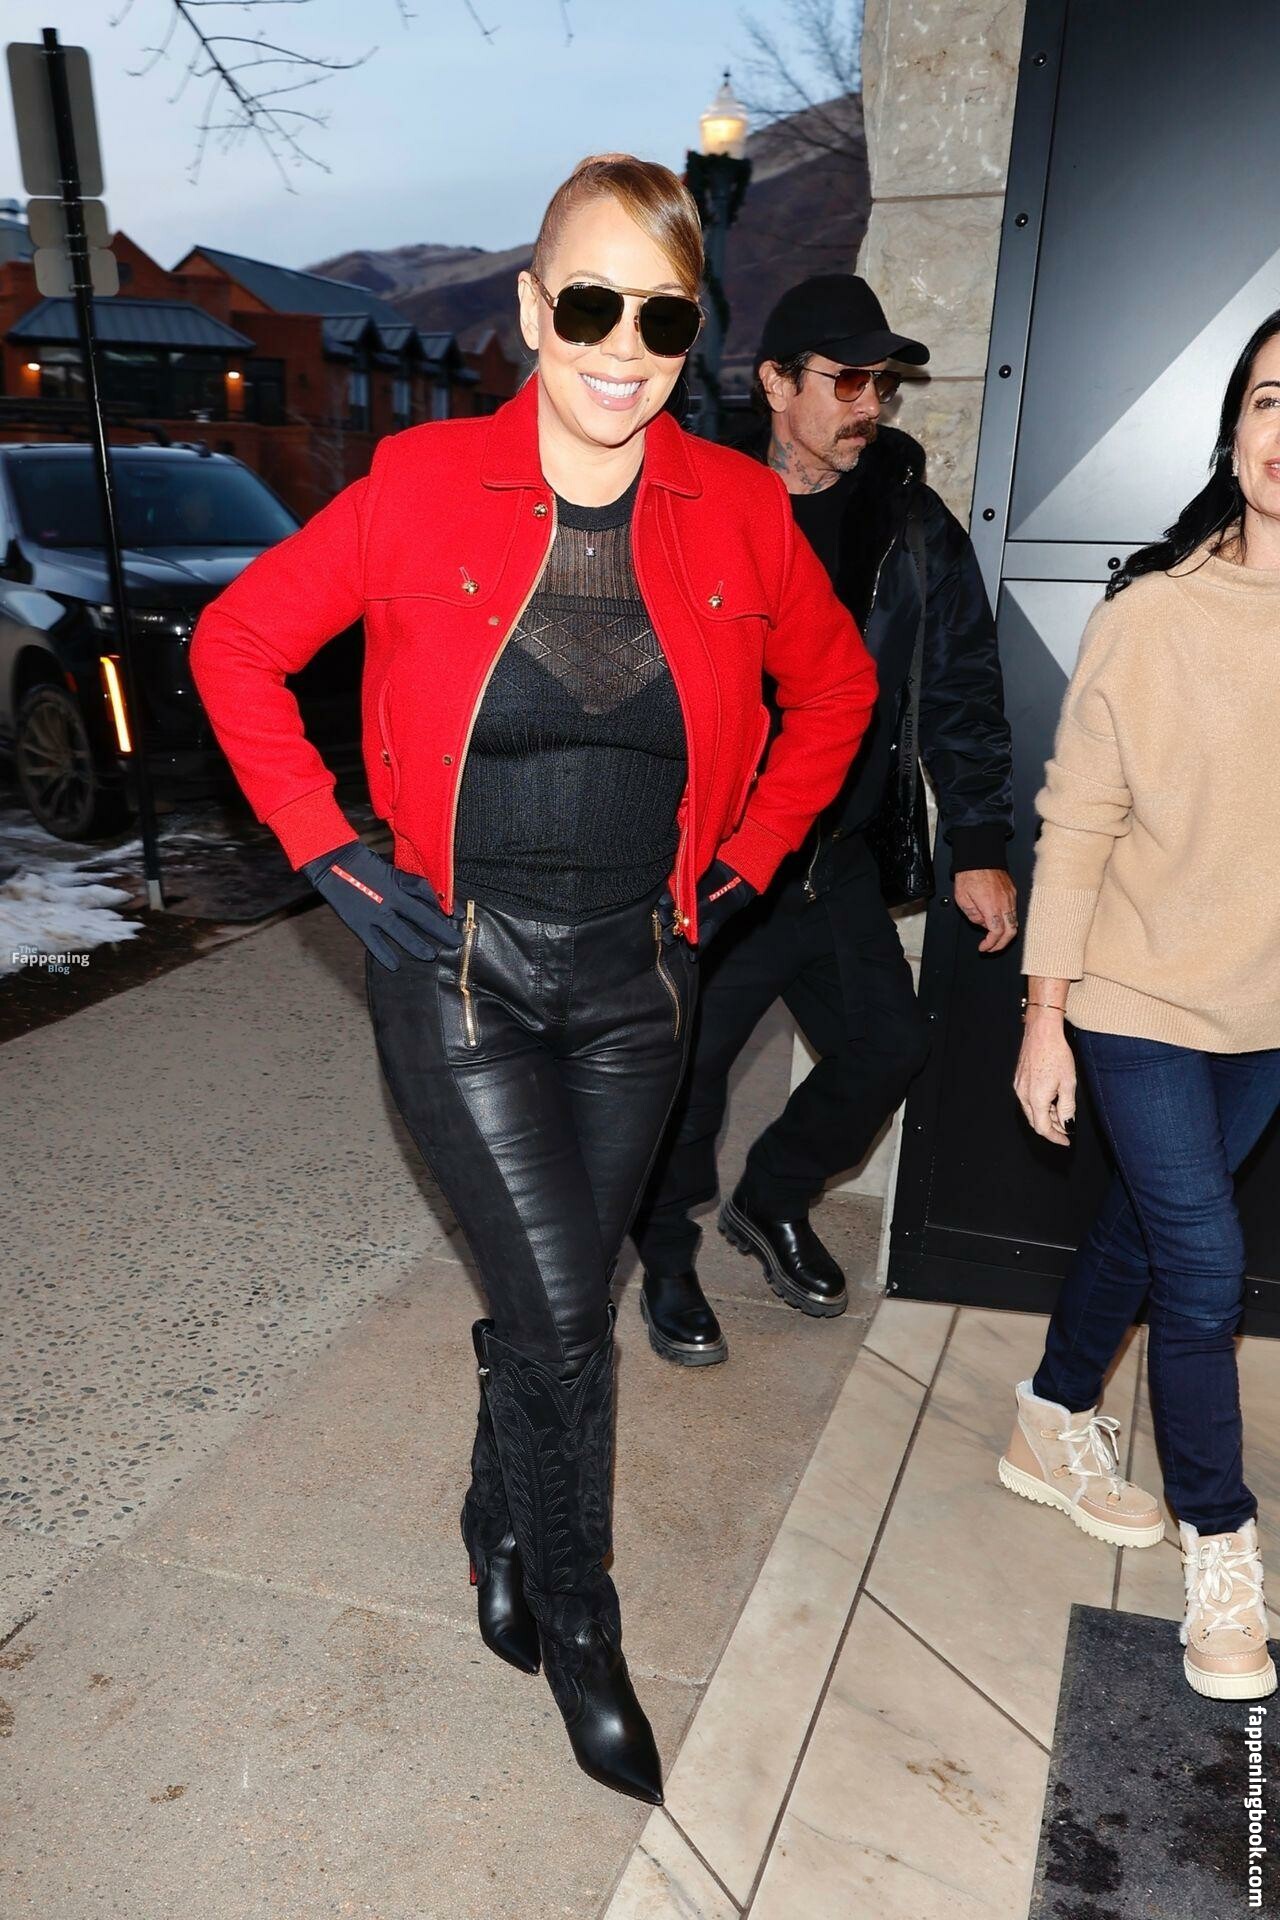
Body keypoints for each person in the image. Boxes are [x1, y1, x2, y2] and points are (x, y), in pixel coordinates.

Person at [188, 156, 877, 1801]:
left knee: (553, 1294)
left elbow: (838, 694)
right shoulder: (419, 484)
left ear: (693, 330)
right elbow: (236, 648)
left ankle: (497, 1517)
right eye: (589, 304)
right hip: (462, 976)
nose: (622, 348)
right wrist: (329, 851)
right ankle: (581, 1619)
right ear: (528, 311)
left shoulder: (740, 509)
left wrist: (745, 862)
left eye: (662, 316)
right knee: (572, 1320)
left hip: (644, 984)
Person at [628, 275, 1015, 1365]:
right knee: (684, 1080)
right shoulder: (687, 501)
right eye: (847, 381)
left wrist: (978, 842)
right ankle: (666, 1259)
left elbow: (961, 691)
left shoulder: (909, 526)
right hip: (710, 862)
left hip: (828, 860)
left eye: (880, 385)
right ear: (774, 383)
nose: (869, 405)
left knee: (890, 1046)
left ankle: (772, 1197)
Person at [1007, 309, 1280, 1701]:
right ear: (1233, 432)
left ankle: (1051, 1410)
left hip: (1264, 1010)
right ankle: (1219, 1549)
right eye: (1271, 399)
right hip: (1133, 990)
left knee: (1148, 1223)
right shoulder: (1150, 615)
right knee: (1202, 1264)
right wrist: (1044, 1013)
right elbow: (1076, 824)